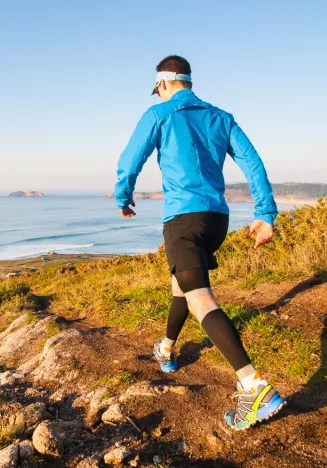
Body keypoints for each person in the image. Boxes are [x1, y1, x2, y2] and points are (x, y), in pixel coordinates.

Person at [114, 55, 286, 430]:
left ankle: (254, 386)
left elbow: (131, 159)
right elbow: (252, 163)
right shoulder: (221, 117)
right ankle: (166, 347)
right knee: (183, 284)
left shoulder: (158, 114)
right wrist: (266, 214)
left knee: (201, 298)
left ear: (162, 84)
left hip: (182, 220)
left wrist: (123, 194)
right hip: (216, 220)